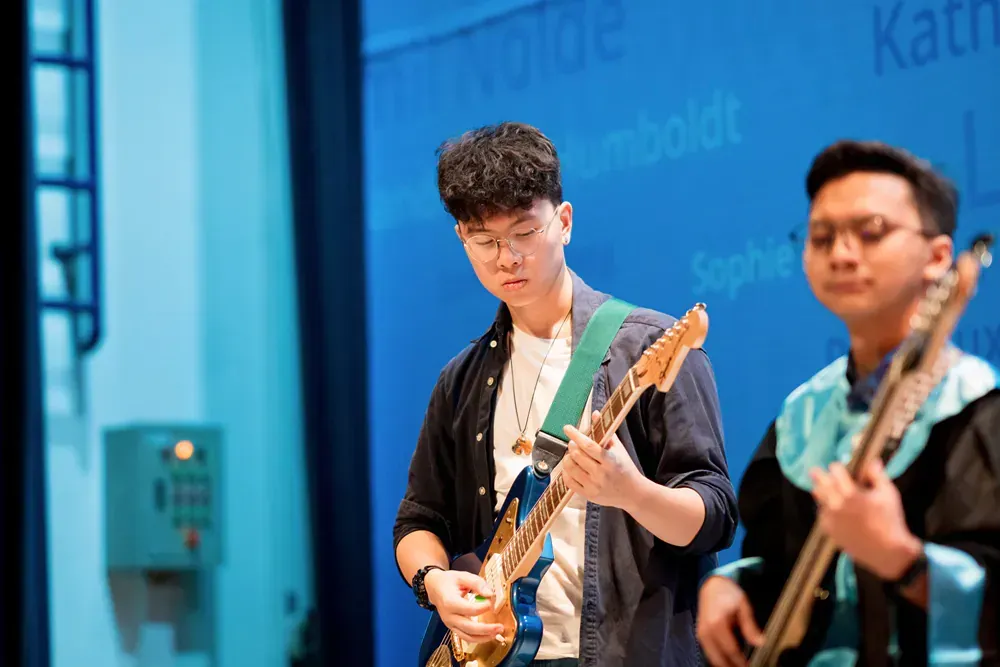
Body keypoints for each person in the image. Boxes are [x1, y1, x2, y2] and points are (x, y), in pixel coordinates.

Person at [393, 122, 738, 667]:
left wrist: (631, 492)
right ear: (462, 238)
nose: (507, 258)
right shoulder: (459, 380)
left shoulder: (648, 346)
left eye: (525, 233)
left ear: (565, 221)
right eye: (484, 241)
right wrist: (435, 582)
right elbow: (419, 520)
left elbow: (715, 516)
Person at [696, 140, 1000, 666]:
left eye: (871, 232)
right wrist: (730, 586)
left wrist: (903, 560)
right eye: (821, 237)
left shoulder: (978, 410)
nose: (841, 253)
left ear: (939, 258)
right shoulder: (802, 415)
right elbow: (775, 560)